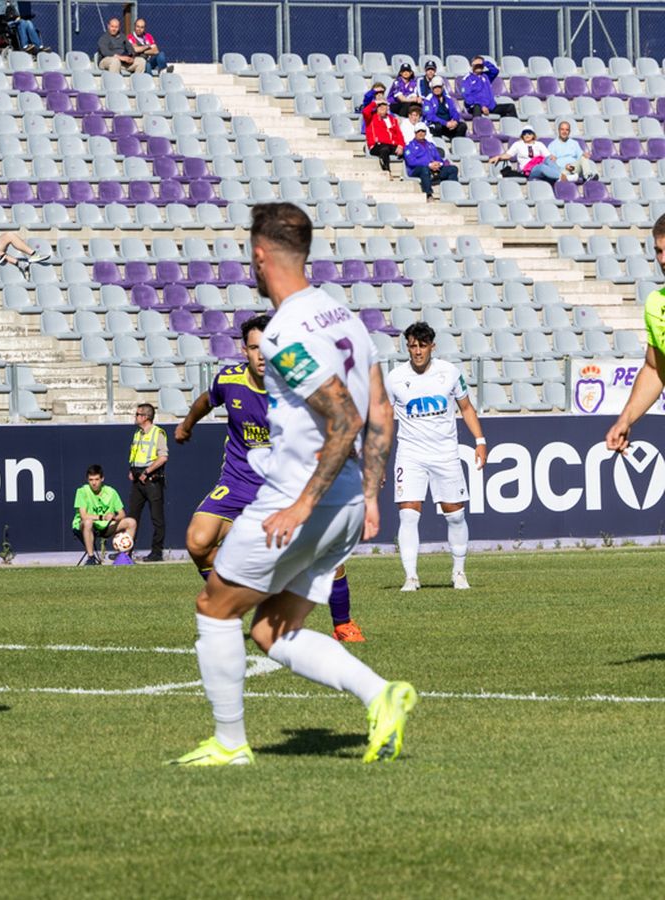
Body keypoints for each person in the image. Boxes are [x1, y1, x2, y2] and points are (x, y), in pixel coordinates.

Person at [171, 202, 411, 768]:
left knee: (215, 607)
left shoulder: (284, 332)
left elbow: (345, 418)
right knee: (273, 632)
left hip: (300, 500)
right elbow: (381, 412)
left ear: (260, 255)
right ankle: (381, 696)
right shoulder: (347, 317)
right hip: (347, 500)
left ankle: (229, 744)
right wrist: (369, 495)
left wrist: (302, 504)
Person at [177, 314, 363, 641]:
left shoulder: (302, 386)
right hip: (239, 482)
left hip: (290, 484)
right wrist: (186, 425)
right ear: (244, 350)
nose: (261, 355)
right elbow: (207, 400)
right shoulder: (229, 380)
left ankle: (343, 623)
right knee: (198, 541)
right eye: (253, 348)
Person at [386, 322, 486, 592]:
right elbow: (384, 418)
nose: (417, 351)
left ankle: (459, 572)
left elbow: (466, 408)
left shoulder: (449, 373)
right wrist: (378, 459)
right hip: (410, 454)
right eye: (412, 346)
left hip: (445, 453)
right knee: (408, 514)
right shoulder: (395, 377)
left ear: (432, 346)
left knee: (455, 515)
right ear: (407, 347)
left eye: (421, 345)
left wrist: (480, 441)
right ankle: (411, 577)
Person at [607, 214, 665, 457]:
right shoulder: (655, 304)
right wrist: (626, 419)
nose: (663, 260)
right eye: (659, 251)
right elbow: (655, 369)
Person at [125, 401, 167, 562]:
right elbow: (135, 454)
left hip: (151, 480)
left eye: (137, 414)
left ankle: (157, 552)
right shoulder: (138, 433)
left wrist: (146, 472)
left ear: (146, 417)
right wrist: (132, 469)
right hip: (137, 479)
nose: (135, 417)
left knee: (157, 518)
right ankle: (126, 550)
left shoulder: (158, 433)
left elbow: (163, 457)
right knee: (132, 517)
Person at [73, 464, 135, 564]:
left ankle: (124, 556)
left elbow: (122, 514)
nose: (94, 483)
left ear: (102, 479)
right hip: (86, 526)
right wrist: (102, 517)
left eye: (96, 479)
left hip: (106, 526)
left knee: (131, 522)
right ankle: (91, 558)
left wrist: (113, 517)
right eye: (91, 480)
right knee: (88, 522)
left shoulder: (111, 492)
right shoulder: (82, 491)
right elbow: (83, 515)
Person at [403, 125, 458, 201]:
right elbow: (411, 161)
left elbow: (438, 158)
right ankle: (428, 194)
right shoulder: (409, 146)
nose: (421, 133)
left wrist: (439, 164)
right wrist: (429, 164)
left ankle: (451, 192)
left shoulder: (431, 145)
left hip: (433, 168)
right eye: (419, 131)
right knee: (424, 169)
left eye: (423, 131)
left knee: (453, 169)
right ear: (415, 133)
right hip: (416, 170)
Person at [365, 99, 404, 177]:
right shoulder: (371, 118)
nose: (382, 108)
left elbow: (399, 134)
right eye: (380, 106)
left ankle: (405, 173)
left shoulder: (392, 119)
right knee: (384, 149)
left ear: (388, 108)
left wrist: (401, 145)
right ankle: (387, 171)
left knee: (408, 150)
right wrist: (375, 103)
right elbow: (365, 111)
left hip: (392, 145)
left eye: (384, 106)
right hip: (376, 145)